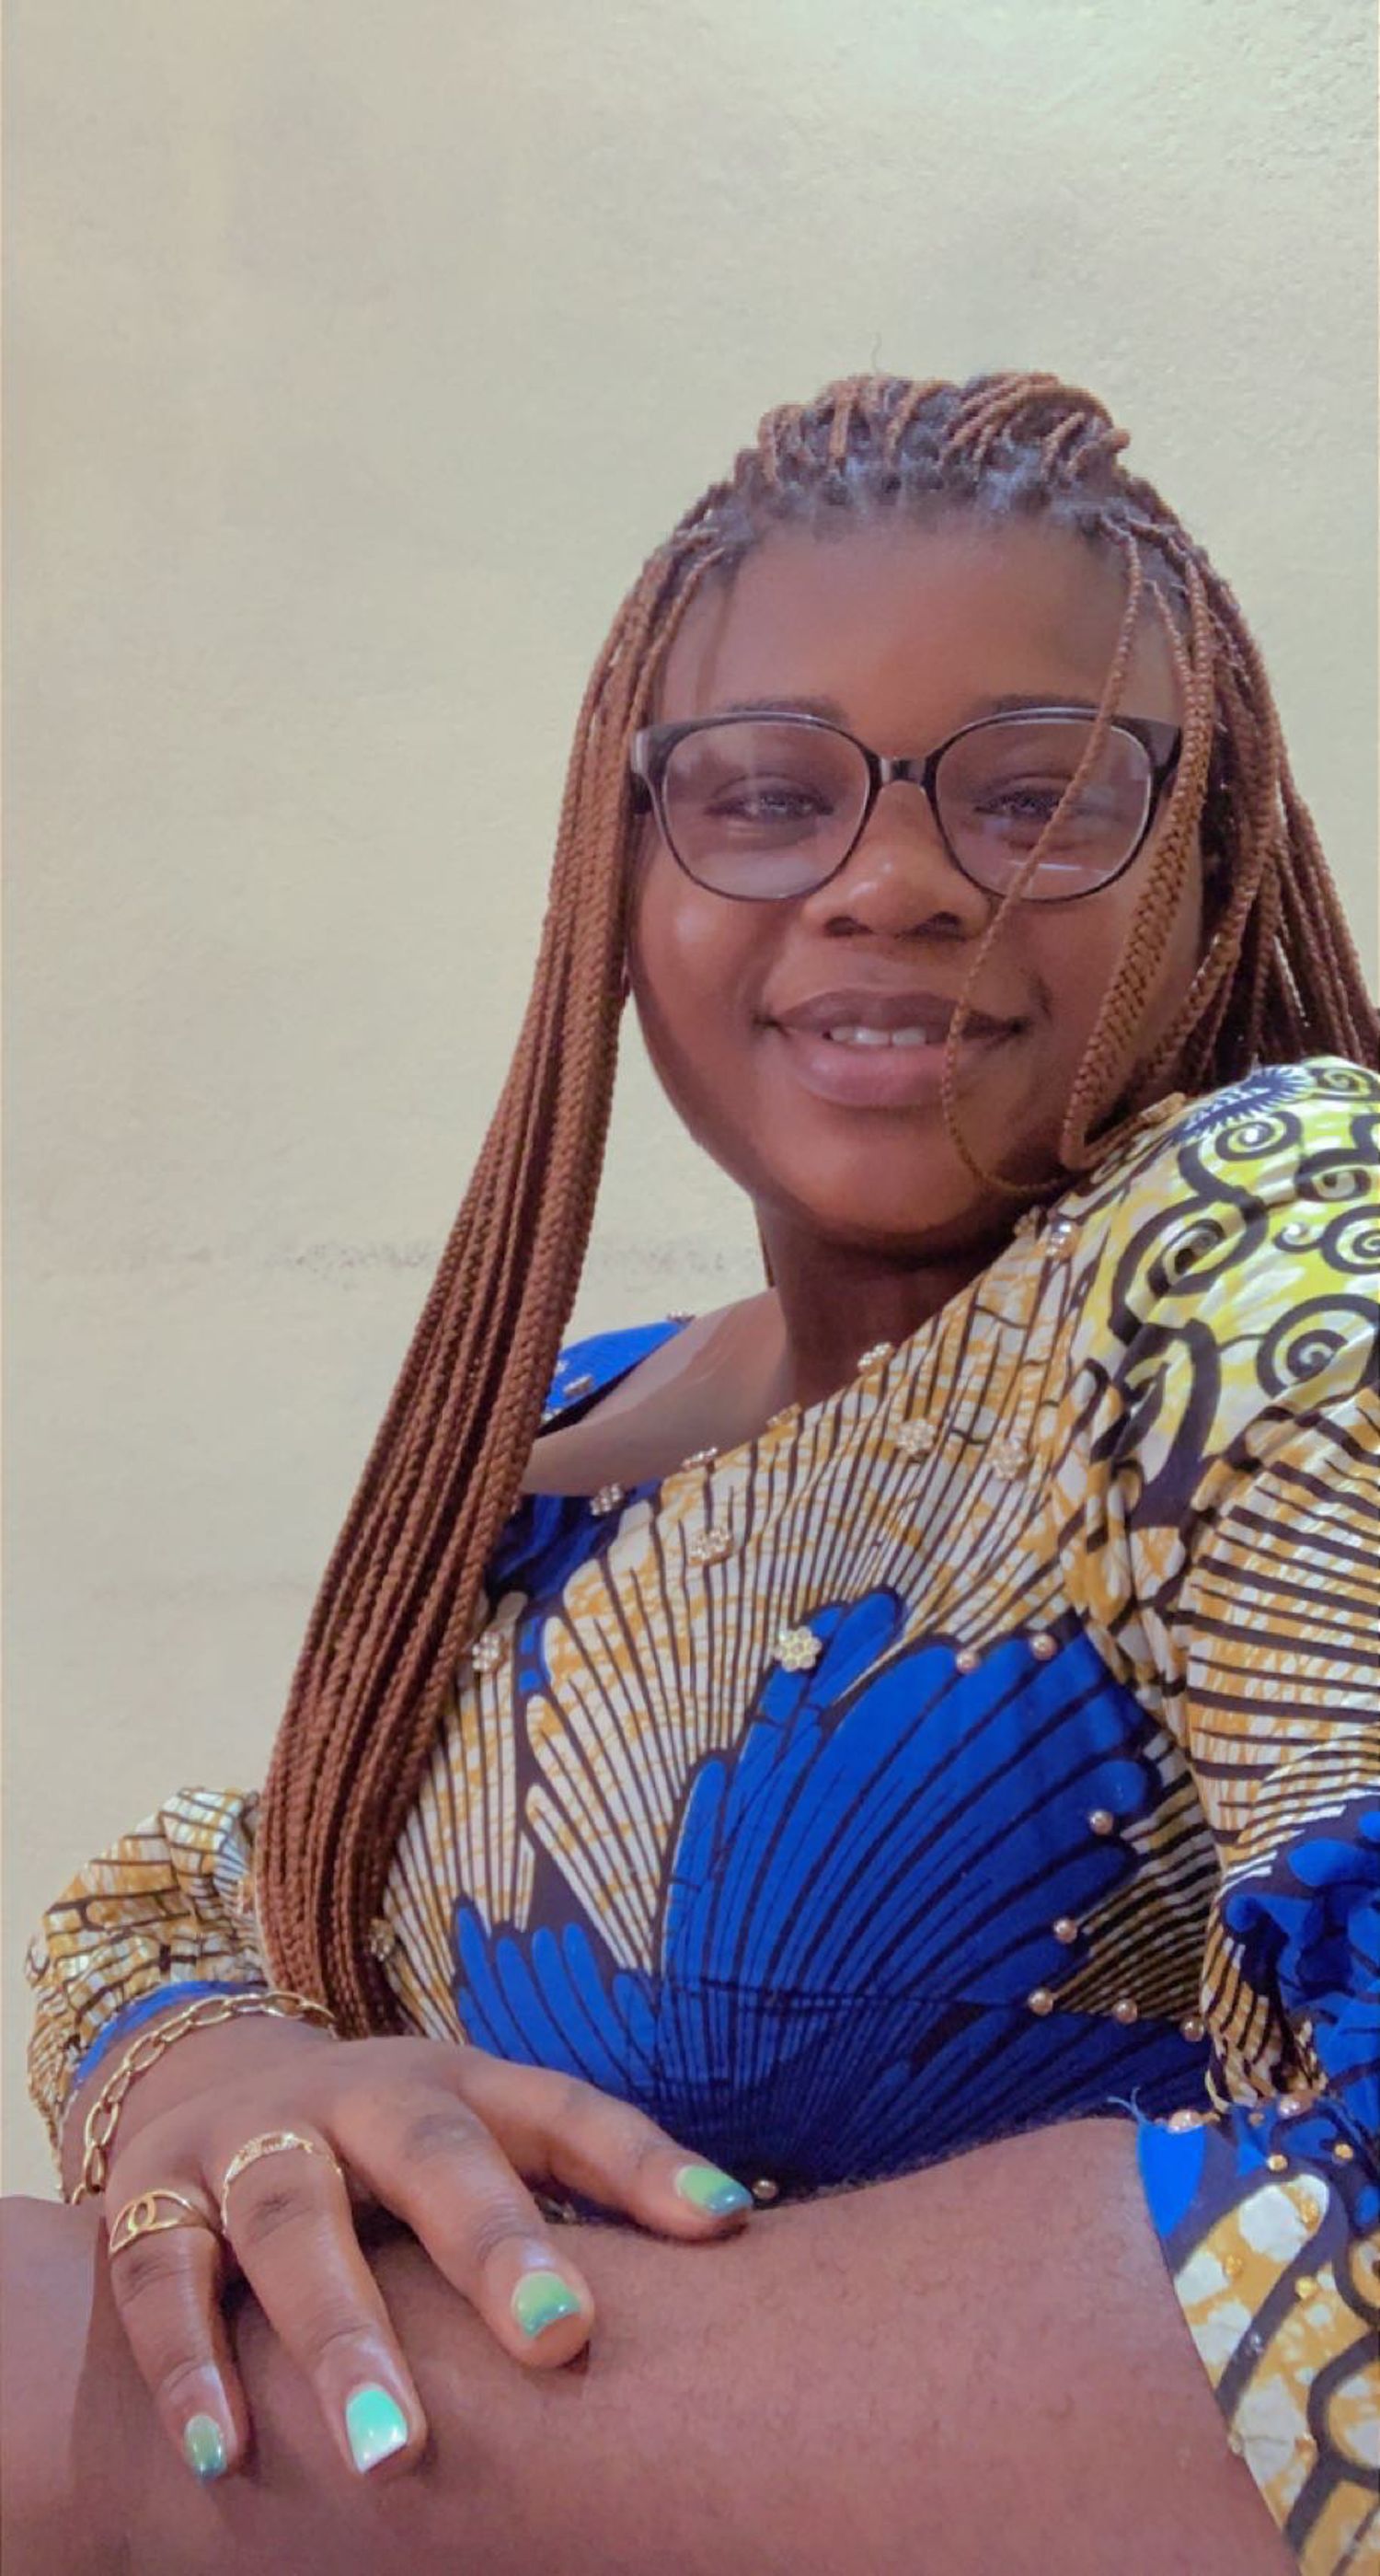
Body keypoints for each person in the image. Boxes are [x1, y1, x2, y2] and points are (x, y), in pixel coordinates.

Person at [6, 370, 1377, 2576]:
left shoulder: (1268, 1254)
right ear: (619, 876)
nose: (896, 882)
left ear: (1208, 862)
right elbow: (193, 1888)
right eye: (763, 796)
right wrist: (218, 2077)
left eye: (1040, 795)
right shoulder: (561, 1434)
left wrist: (296, 2445)